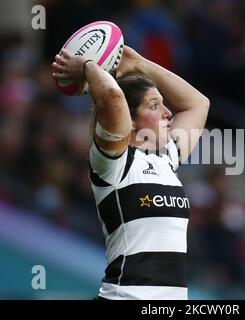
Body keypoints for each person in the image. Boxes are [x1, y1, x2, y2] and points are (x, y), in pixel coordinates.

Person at [52, 45, 210, 300]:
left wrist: (139, 63)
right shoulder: (114, 161)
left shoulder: (166, 158)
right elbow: (113, 98)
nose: (168, 113)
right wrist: (87, 66)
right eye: (155, 106)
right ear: (132, 119)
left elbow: (199, 104)